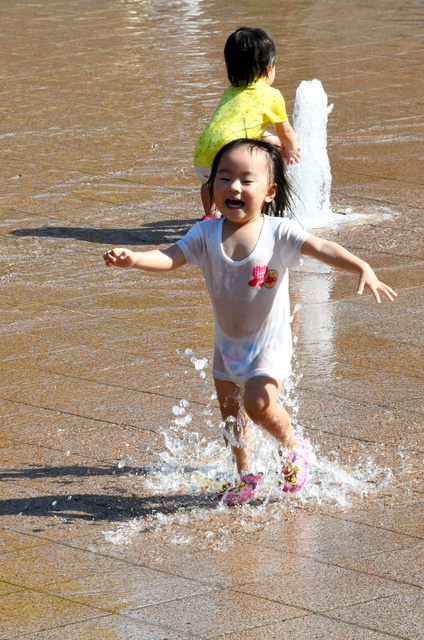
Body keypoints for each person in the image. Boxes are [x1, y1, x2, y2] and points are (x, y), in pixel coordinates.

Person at [104, 139, 397, 505]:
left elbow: (322, 247)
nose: (234, 187)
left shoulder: (279, 232)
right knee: (232, 420)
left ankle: (294, 446)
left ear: (270, 192)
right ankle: (245, 477)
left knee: (258, 405)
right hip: (227, 347)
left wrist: (361, 266)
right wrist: (134, 259)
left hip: (269, 345)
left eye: (246, 180)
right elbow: (170, 257)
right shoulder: (205, 234)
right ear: (211, 184)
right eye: (224, 177)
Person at [193, 27, 301, 219]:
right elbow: (286, 133)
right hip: (230, 157)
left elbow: (239, 127)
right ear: (269, 67)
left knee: (209, 183)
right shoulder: (271, 95)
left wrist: (270, 138)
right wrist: (291, 150)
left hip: (202, 157)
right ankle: (253, 216)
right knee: (261, 170)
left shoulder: (230, 91)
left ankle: (210, 215)